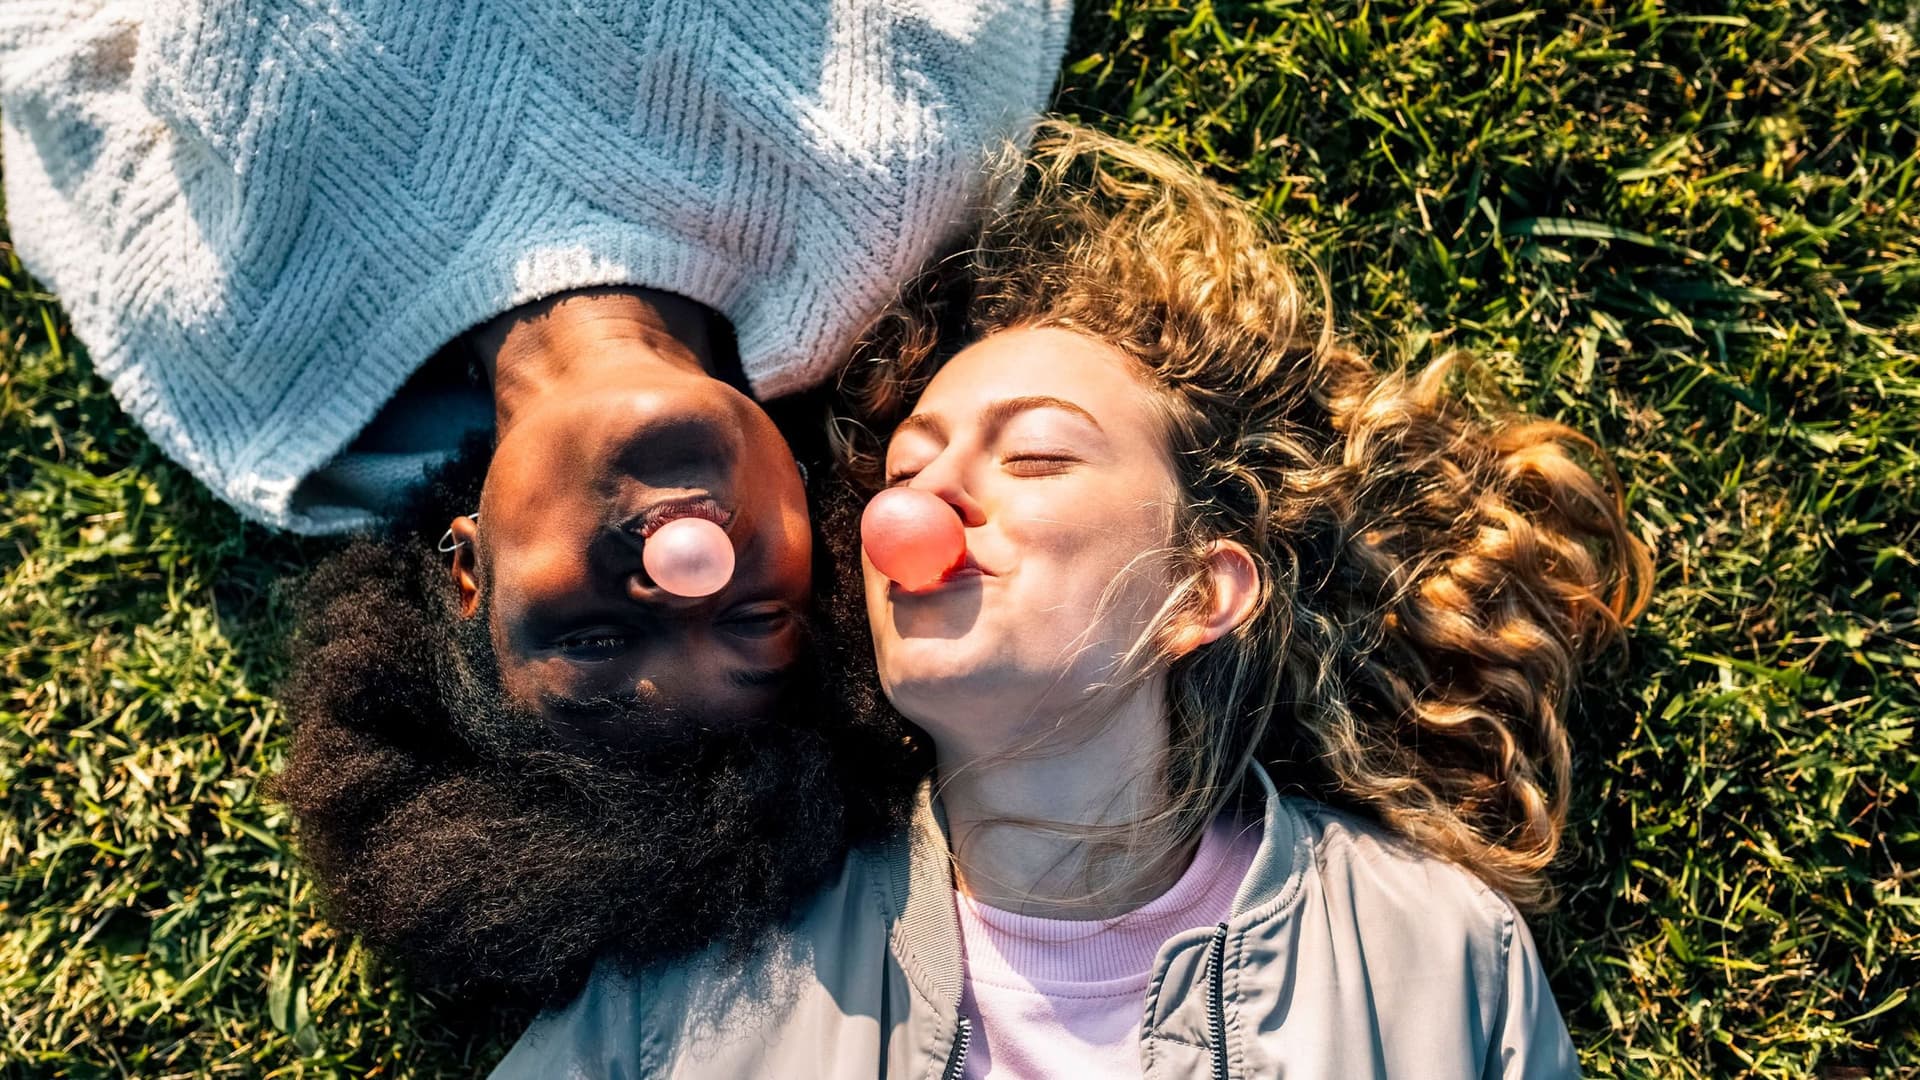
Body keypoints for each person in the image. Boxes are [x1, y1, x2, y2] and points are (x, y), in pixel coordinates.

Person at [491, 122, 1653, 1077]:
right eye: (907, 469)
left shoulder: (1438, 958)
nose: (927, 498)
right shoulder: (702, 979)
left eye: (1036, 456)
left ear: (1199, 591)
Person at [0, 0, 1070, 1000]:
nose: (683, 575)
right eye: (755, 619)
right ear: (817, 542)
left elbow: (46, 62)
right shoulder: (893, 186)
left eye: (595, 642)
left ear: (469, 574)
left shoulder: (247, 361)